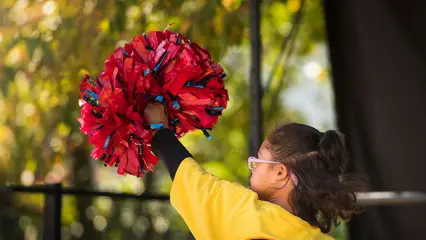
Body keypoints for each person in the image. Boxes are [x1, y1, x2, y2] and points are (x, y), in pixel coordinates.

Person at [145, 103, 366, 240]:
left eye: (259, 158)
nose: (253, 166)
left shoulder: (246, 212)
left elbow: (193, 179)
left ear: (280, 172)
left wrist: (160, 130)